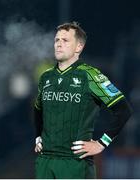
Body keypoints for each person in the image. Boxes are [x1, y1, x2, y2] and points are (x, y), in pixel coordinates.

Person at [34, 22, 132, 179]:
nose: (58, 44)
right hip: (45, 161)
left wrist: (101, 143)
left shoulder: (90, 76)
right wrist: (38, 136)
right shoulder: (46, 77)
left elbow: (124, 110)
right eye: (56, 40)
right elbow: (38, 108)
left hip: (75, 163)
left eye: (65, 40)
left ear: (78, 47)